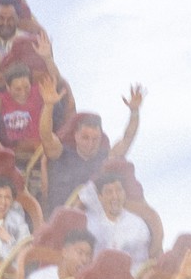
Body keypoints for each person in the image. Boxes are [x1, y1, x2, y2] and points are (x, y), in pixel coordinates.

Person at [39, 76, 144, 213]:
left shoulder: (106, 158)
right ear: (76, 136)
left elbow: (127, 138)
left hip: (99, 219)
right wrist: (48, 105)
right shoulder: (61, 153)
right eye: (85, 138)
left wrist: (134, 112)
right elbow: (46, 136)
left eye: (95, 139)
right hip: (64, 219)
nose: (90, 143)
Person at [0, 33, 60, 148]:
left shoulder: (39, 91)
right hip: (13, 151)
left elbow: (56, 81)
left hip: (39, 149)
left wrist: (47, 58)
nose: (23, 92)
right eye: (17, 89)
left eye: (26, 87)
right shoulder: (3, 98)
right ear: (8, 87)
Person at [78, 173, 151, 273]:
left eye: (119, 190)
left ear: (124, 193)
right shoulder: (89, 223)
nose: (115, 197)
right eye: (109, 192)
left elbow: (141, 265)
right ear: (100, 197)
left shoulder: (138, 225)